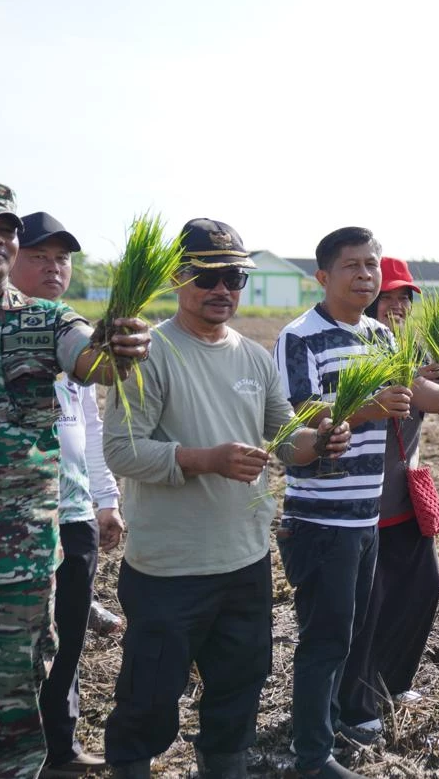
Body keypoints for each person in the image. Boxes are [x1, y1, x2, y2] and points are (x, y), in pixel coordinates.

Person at [101, 219, 350, 779]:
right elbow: (122, 451)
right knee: (148, 695)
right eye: (206, 276)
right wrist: (204, 459)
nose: (222, 290)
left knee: (239, 687)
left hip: (244, 561)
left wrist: (321, 440)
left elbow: (288, 438)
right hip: (168, 567)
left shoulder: (254, 357)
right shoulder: (149, 352)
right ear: (177, 278)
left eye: (234, 277)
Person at [0, 182, 150, 779]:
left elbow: (91, 358)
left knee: (14, 707)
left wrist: (120, 347)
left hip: (22, 558)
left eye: (6, 230)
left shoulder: (47, 319)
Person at [273, 231, 439, 779]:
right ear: (323, 276)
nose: (365, 275)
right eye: (352, 266)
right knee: (326, 637)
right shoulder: (300, 337)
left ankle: (331, 724)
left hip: (365, 518)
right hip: (320, 519)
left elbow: (409, 393)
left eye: (372, 265)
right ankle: (311, 756)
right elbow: (294, 419)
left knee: (351, 632)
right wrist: (364, 409)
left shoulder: (381, 334)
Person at [337, 258, 439, 736]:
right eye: (391, 296)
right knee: (368, 606)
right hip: (363, 502)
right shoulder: (351, 348)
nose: (398, 305)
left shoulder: (412, 350)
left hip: (406, 496)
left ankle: (392, 683)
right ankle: (354, 704)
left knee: (423, 589)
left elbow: (433, 402)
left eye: (405, 298)